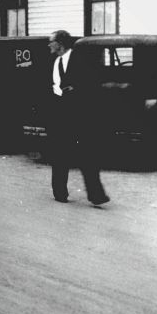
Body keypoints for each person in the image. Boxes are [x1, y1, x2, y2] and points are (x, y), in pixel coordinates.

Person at [47, 30, 109, 205]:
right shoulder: (54, 62)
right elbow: (53, 86)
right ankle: (60, 192)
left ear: (60, 43)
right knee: (60, 153)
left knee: (88, 154)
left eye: (51, 42)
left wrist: (78, 91)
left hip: (82, 114)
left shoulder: (82, 59)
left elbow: (94, 84)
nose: (49, 45)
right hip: (61, 113)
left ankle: (96, 195)